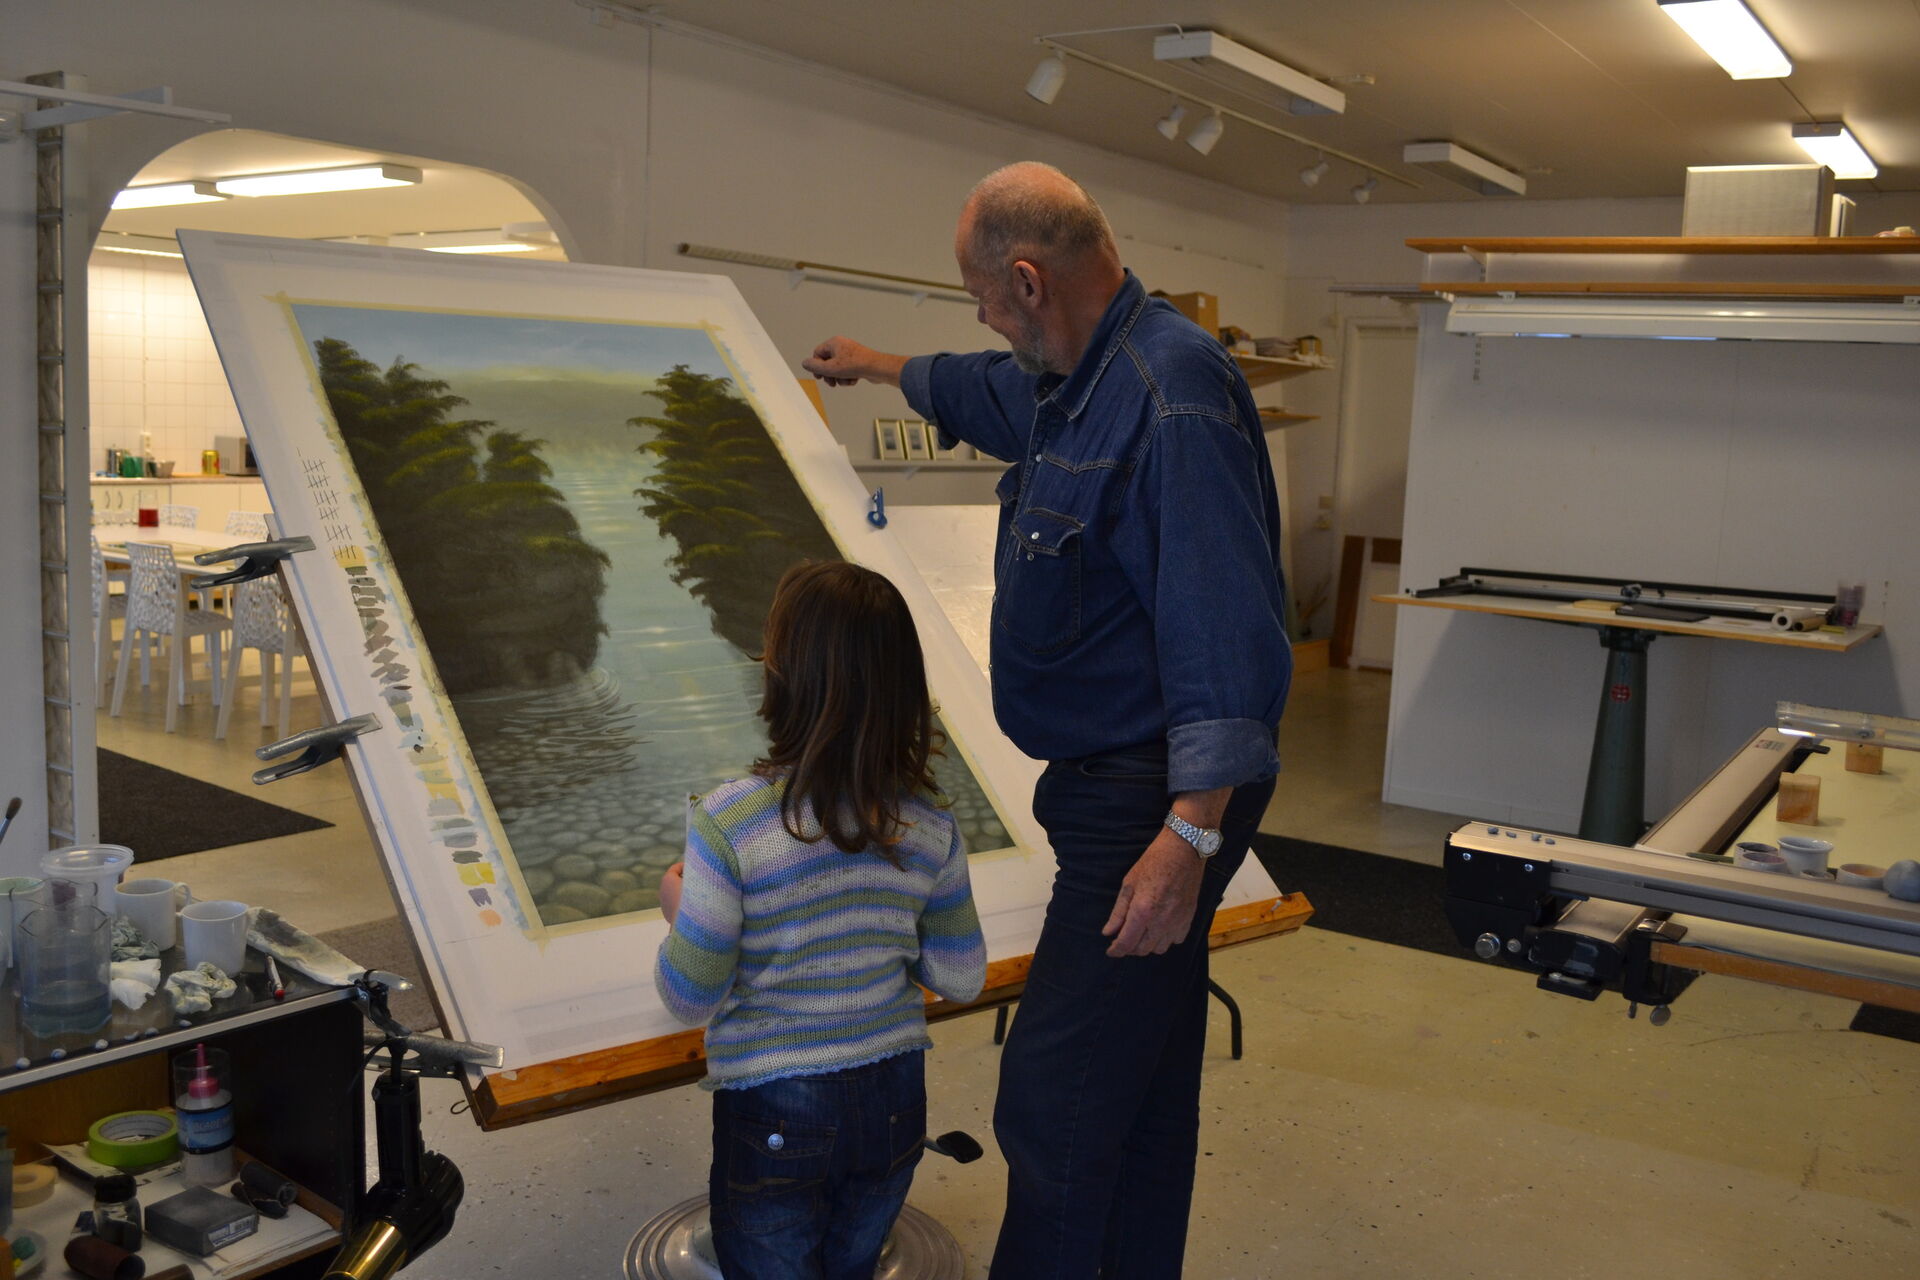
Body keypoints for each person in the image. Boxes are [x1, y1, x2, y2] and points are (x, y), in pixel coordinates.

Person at [802, 161, 1291, 1278]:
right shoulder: (1078, 372)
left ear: (1027, 280)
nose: (981, 318)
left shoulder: (1171, 392)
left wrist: (1190, 836)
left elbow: (1223, 631)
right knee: (1142, 1082)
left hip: (1150, 801)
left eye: (981, 296)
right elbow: (987, 389)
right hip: (1120, 787)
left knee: (1056, 1099)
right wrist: (878, 366)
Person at [654, 560, 987, 1279]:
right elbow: (961, 977)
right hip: (895, 1098)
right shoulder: (930, 825)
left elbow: (690, 997)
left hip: (775, 1103)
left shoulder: (729, 821)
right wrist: (876, 920)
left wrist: (679, 910)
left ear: (783, 674)